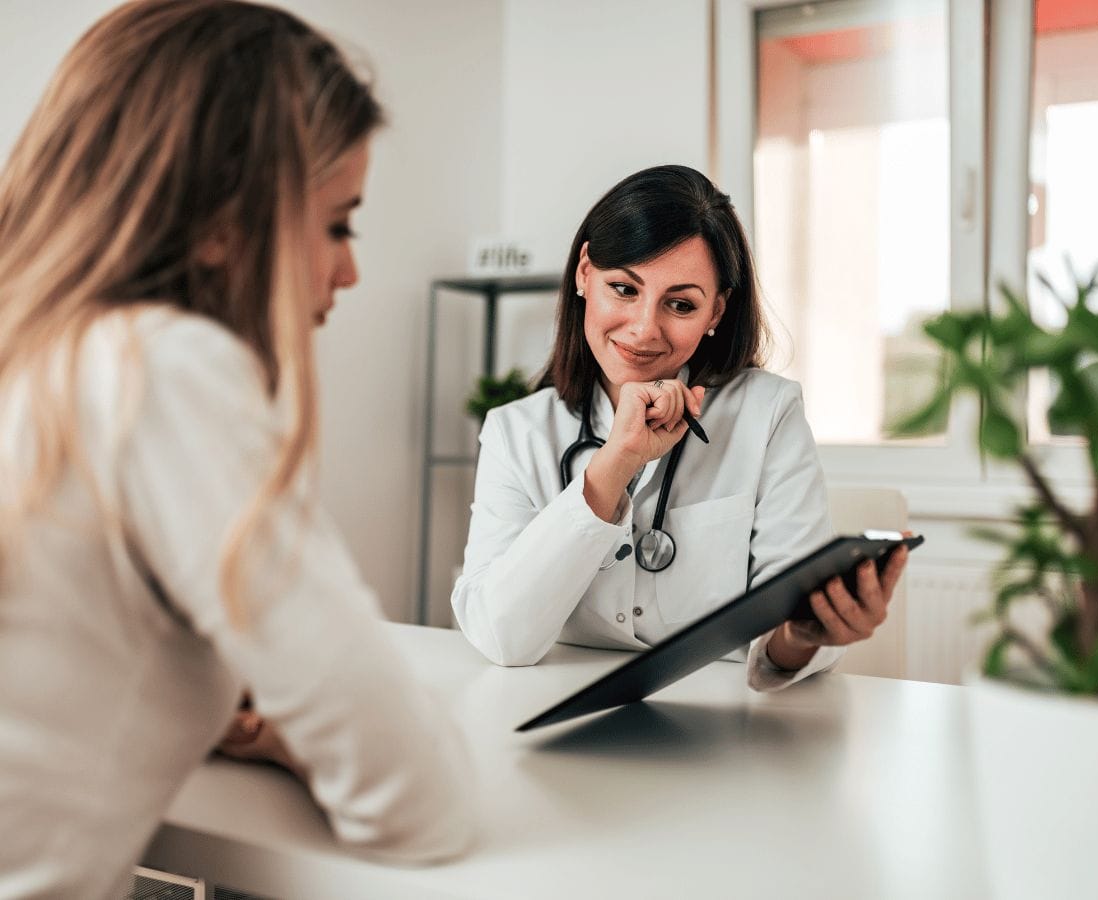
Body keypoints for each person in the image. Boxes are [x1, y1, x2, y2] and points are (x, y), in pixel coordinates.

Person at [0, 2, 473, 896]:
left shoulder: (35, 356)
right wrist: (301, 736)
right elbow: (417, 800)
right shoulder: (159, 367)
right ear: (223, 221)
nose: (351, 270)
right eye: (339, 224)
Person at [451, 164, 908, 689]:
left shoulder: (768, 413)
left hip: (728, 723)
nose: (644, 329)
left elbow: (782, 627)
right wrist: (613, 465)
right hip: (553, 707)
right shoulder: (516, 432)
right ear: (583, 273)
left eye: (681, 304)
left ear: (717, 309)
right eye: (623, 288)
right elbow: (501, 638)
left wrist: (804, 635)